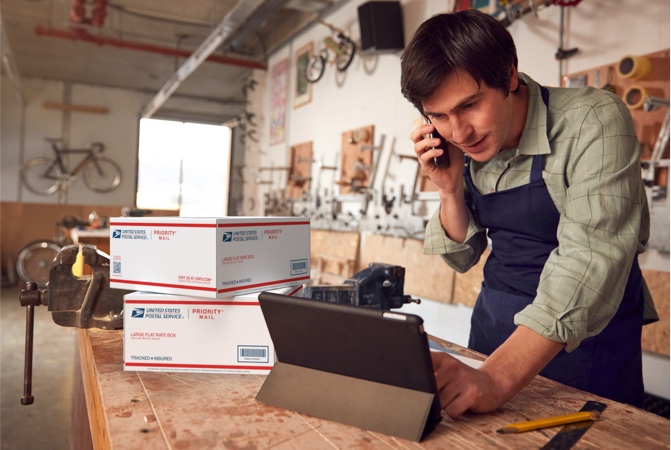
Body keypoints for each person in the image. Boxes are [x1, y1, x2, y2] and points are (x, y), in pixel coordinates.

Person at [400, 10, 657, 419]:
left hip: (583, 341)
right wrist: (448, 188)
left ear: (509, 75)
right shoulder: (465, 145)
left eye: (469, 105)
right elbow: (461, 257)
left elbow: (589, 260)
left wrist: (496, 379)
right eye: (440, 117)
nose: (460, 132)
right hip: (493, 331)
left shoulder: (592, 120)